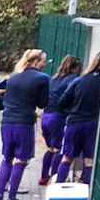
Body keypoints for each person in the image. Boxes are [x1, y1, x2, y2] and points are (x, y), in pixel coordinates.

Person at [0, 48, 50, 200]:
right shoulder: (42, 79)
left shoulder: (13, 77)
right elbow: (42, 103)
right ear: (36, 62)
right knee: (22, 159)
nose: (44, 64)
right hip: (24, 122)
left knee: (7, 157)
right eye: (43, 61)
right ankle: (11, 197)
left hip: (7, 121)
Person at [57, 51, 100, 184]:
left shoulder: (80, 80)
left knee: (67, 157)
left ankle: (58, 186)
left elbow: (62, 102)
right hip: (93, 123)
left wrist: (72, 109)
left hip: (74, 122)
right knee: (89, 159)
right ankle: (85, 188)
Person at [39, 54, 82, 187]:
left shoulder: (54, 78)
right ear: (75, 68)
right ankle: (54, 178)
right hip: (58, 117)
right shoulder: (73, 80)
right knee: (59, 150)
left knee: (51, 149)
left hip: (46, 116)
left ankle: (44, 176)